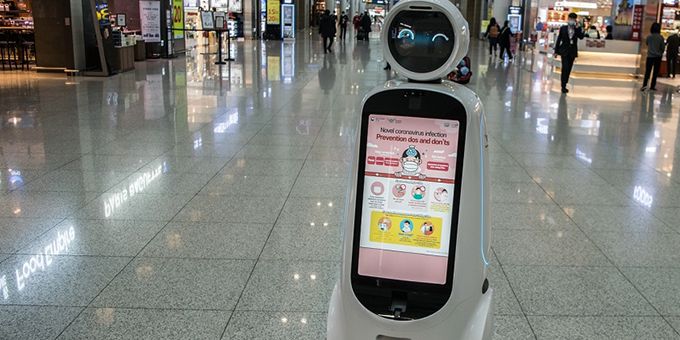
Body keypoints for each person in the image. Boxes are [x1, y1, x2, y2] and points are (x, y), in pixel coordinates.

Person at [554, 13, 584, 93]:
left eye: (573, 19)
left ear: (575, 20)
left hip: (572, 52)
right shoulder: (563, 28)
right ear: (568, 19)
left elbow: (581, 37)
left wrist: (577, 28)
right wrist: (556, 51)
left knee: (569, 69)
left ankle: (565, 83)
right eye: (570, 18)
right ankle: (563, 86)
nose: (571, 20)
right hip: (564, 51)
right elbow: (559, 39)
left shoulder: (577, 28)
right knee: (565, 68)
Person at [642, 22, 664, 91]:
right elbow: (662, 47)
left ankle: (644, 85)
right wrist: (660, 52)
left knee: (647, 72)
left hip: (650, 56)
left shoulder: (649, 36)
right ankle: (652, 86)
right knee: (655, 72)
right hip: (658, 57)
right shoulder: (661, 37)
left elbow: (647, 44)